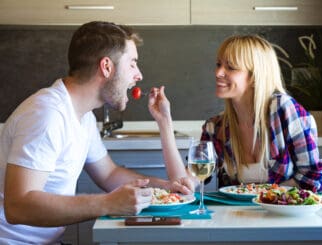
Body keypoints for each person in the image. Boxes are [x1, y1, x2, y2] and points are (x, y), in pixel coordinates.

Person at [0, 21, 193, 244]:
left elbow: (109, 174)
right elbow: (17, 207)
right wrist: (107, 203)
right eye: (132, 64)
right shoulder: (47, 114)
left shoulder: (84, 116)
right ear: (106, 67)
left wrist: (164, 186)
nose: (138, 75)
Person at [150, 35, 322, 193]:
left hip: (286, 218)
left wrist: (265, 197)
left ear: (255, 76)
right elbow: (184, 183)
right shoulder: (216, 127)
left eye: (231, 67)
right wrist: (165, 122)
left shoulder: (283, 109)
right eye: (219, 64)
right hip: (237, 219)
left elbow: (311, 176)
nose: (218, 73)